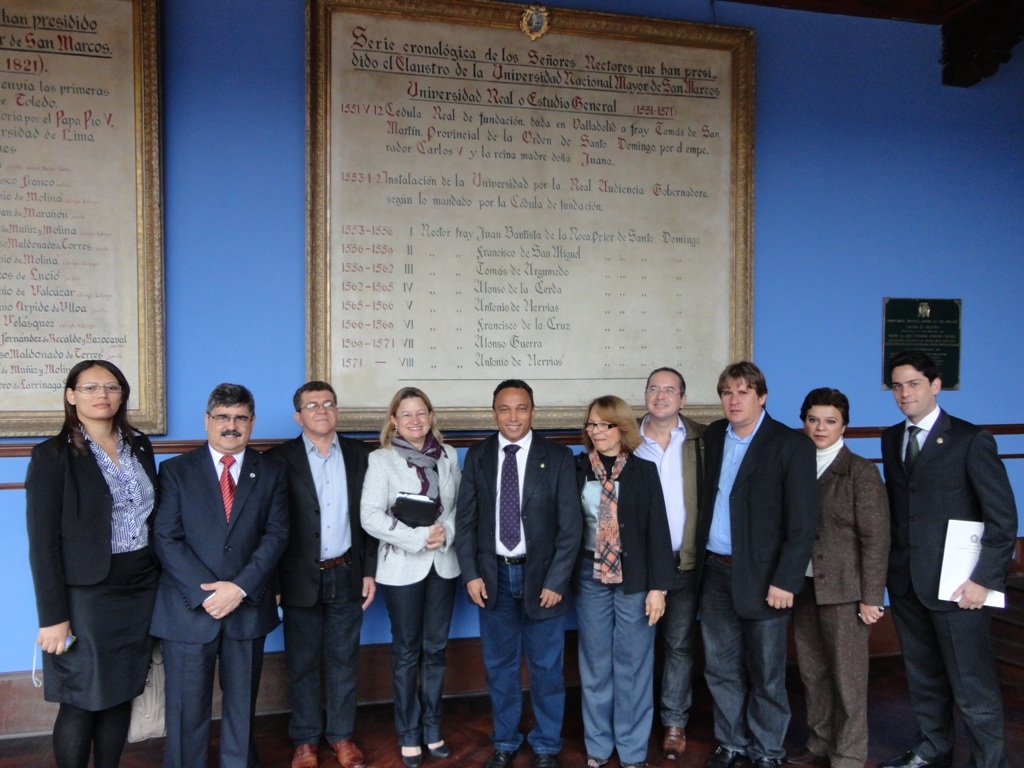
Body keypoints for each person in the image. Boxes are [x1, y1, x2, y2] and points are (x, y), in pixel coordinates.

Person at [879, 351, 1017, 768]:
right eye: (897, 386)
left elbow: (1002, 518)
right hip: (907, 583)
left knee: (972, 685)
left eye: (914, 383)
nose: (905, 393)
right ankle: (933, 749)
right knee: (924, 679)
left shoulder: (971, 439)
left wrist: (984, 580)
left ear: (935, 385)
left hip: (960, 588)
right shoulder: (891, 438)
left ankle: (990, 762)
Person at [26, 360, 161, 768]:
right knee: (82, 697)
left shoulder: (139, 446)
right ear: (71, 395)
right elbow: (43, 542)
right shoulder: (51, 455)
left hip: (141, 586)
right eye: (89, 387)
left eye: (112, 386)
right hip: (87, 593)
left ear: (122, 395)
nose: (102, 394)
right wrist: (53, 617)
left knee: (122, 690)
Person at [150, 383, 289, 768]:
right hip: (188, 609)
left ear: (252, 422)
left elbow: (277, 535)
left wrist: (240, 587)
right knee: (185, 710)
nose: (232, 426)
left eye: (240, 418)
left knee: (241, 707)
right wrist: (209, 593)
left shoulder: (272, 470)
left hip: (247, 607)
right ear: (207, 421)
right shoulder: (176, 469)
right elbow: (166, 537)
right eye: (223, 417)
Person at [695, 361, 818, 768]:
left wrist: (786, 580)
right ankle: (731, 742)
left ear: (762, 396)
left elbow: (802, 524)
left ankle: (767, 750)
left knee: (766, 673)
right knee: (720, 667)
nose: (734, 400)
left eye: (743, 392)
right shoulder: (714, 436)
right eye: (727, 392)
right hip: (714, 571)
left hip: (766, 578)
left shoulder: (790, 444)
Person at [455, 379, 581, 768]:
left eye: (521, 408)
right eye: (505, 409)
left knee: (546, 669)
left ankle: (546, 745)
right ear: (494, 413)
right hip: (492, 577)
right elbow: (465, 522)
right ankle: (505, 741)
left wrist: (557, 580)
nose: (513, 416)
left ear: (533, 411)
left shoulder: (557, 456)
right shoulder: (478, 456)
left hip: (542, 580)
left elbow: (571, 528)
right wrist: (471, 574)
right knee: (500, 667)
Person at [266, 381, 375, 768]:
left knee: (344, 660)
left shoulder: (362, 456)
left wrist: (369, 571)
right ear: (299, 416)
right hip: (298, 577)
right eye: (312, 405)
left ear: (337, 411)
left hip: (347, 571)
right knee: (302, 661)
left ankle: (342, 736)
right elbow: (271, 526)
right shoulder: (278, 459)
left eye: (328, 403)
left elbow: (371, 519)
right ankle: (306, 740)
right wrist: (274, 583)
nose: (321, 410)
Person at [786, 388, 890, 768]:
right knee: (813, 672)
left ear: (844, 425)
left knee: (847, 679)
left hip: (846, 590)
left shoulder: (859, 471)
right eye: (813, 419)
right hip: (804, 585)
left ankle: (848, 754)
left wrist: (871, 596)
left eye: (830, 420)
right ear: (804, 422)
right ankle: (820, 743)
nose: (820, 427)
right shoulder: (796, 462)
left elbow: (877, 538)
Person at [360, 387, 461, 768]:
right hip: (402, 565)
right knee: (406, 652)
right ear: (394, 421)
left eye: (421, 413)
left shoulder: (448, 456)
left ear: (431, 417)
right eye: (406, 414)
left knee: (435, 650)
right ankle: (408, 732)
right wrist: (419, 537)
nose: (415, 420)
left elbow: (460, 505)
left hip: (444, 563)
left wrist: (445, 532)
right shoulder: (381, 460)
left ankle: (432, 727)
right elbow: (370, 515)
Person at [574, 395, 676, 768]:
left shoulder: (643, 471)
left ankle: (633, 751)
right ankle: (598, 747)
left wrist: (658, 588)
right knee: (596, 665)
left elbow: (658, 533)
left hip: (636, 580)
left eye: (605, 425)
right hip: (589, 578)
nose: (597, 432)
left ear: (622, 429)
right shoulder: (576, 469)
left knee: (633, 665)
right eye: (592, 424)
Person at [635, 367, 706, 760]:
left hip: (685, 562)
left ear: (682, 397)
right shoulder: (625, 437)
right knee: (636, 646)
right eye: (653, 389)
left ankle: (674, 722)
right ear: (645, 395)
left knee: (679, 644)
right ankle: (635, 721)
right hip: (637, 566)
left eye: (669, 390)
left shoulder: (701, 438)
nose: (660, 396)